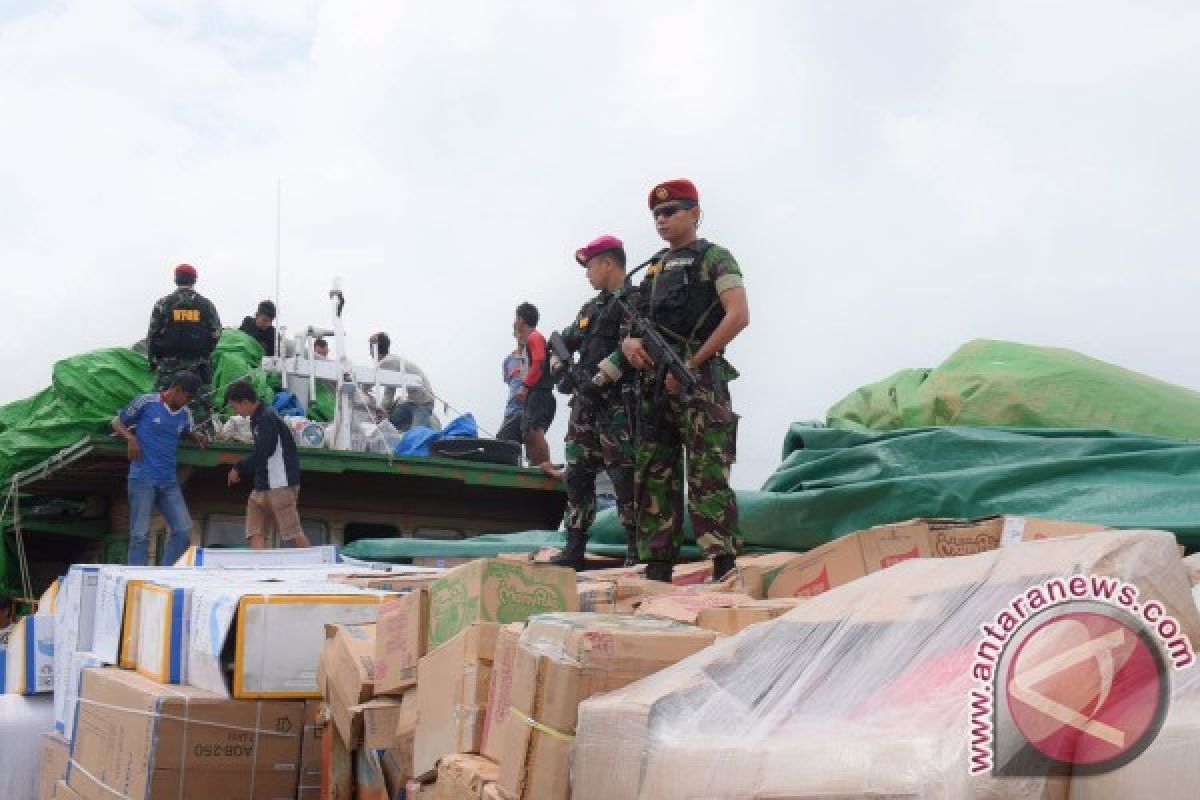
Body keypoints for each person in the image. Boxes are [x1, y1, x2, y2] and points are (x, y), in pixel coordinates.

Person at [606, 178, 750, 583]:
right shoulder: (652, 268)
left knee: (707, 471)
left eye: (671, 212)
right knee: (654, 471)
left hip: (699, 380)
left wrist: (693, 362)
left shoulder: (713, 258)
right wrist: (631, 343)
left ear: (695, 213)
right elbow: (630, 320)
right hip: (655, 384)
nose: (662, 220)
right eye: (656, 214)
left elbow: (738, 314)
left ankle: (722, 562)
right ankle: (658, 563)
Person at [544, 235, 638, 569]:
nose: (587, 274)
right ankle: (574, 548)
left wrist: (600, 379)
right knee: (577, 477)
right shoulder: (591, 309)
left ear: (608, 263)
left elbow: (633, 345)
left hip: (618, 407)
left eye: (590, 266)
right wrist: (560, 369)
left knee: (624, 479)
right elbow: (559, 340)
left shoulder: (634, 300)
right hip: (584, 408)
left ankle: (634, 549)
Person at [113, 371, 209, 565]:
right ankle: (136, 578)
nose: (187, 402)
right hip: (142, 478)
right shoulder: (146, 402)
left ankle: (164, 573)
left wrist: (194, 437)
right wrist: (131, 439)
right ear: (177, 390)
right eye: (187, 397)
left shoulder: (185, 414)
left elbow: (182, 430)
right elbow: (117, 422)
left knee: (183, 529)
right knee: (140, 534)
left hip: (168, 481)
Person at [224, 380, 310, 549]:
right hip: (263, 484)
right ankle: (259, 570)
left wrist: (238, 467)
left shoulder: (267, 418)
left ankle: (318, 567)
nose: (236, 411)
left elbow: (264, 451)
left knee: (292, 532)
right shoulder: (257, 419)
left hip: (281, 484)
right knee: (255, 531)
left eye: (235, 407)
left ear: (245, 402)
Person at [145, 263, 222, 417]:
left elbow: (152, 334)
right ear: (194, 280)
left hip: (168, 367)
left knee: (161, 406)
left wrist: (152, 360)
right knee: (199, 408)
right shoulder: (206, 305)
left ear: (176, 279)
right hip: (197, 367)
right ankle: (199, 436)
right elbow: (217, 333)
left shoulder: (164, 303)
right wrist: (204, 353)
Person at [369, 332, 440, 432]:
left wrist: (361, 388)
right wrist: (384, 410)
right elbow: (390, 389)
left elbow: (383, 391)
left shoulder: (386, 362)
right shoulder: (391, 361)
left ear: (375, 348)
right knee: (390, 422)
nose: (370, 353)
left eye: (370, 348)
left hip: (425, 403)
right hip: (411, 402)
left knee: (415, 434)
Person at [514, 302, 555, 466]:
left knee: (534, 431)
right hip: (537, 393)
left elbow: (538, 362)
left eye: (516, 318)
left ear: (522, 320)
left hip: (540, 392)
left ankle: (545, 466)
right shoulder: (530, 340)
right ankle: (538, 465)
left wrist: (525, 386)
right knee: (529, 432)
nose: (515, 322)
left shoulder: (534, 337)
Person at [497, 334, 525, 444]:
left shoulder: (535, 356)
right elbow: (509, 381)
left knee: (533, 451)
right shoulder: (507, 361)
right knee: (502, 443)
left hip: (530, 410)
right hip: (511, 411)